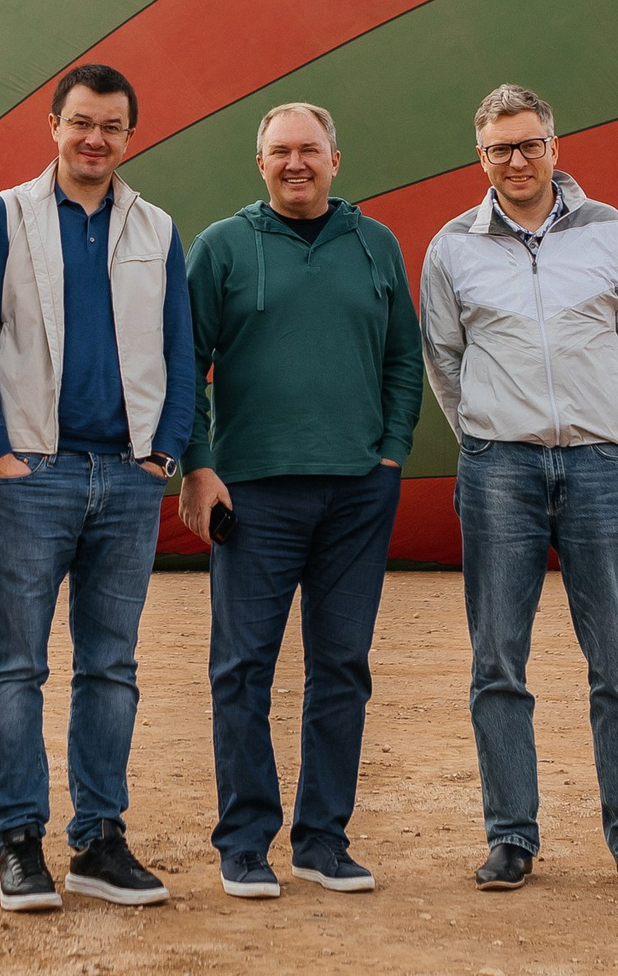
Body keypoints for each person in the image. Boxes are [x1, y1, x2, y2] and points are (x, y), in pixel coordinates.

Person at [417, 83, 618, 896]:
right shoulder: (453, 246)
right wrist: (487, 430)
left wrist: (603, 422)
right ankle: (511, 836)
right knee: (498, 658)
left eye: (530, 143)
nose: (517, 159)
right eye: (501, 147)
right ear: (481, 157)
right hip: (498, 467)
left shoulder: (611, 231)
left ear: (555, 146)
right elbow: (444, 358)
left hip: (598, 465)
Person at [0, 63, 197, 913]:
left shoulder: (156, 227)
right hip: (35, 472)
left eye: (112, 126)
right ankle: (18, 838)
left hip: (127, 476)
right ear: (53, 124)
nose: (96, 139)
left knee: (111, 665)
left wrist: (164, 451)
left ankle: (99, 839)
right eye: (82, 122)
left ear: (130, 135)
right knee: (16, 660)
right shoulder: (7, 215)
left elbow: (178, 344)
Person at [177, 102, 422, 900]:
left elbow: (404, 357)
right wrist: (199, 465)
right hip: (254, 494)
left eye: (309, 149)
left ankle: (323, 841)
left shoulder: (375, 243)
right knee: (243, 667)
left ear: (334, 159)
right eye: (280, 150)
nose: (295, 163)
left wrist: (390, 452)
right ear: (260, 162)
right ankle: (245, 841)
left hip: (357, 492)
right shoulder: (222, 246)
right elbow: (186, 364)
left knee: (342, 665)